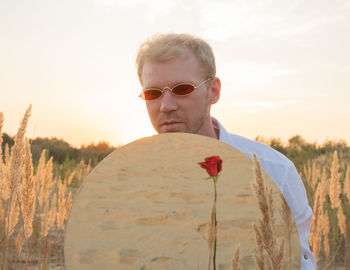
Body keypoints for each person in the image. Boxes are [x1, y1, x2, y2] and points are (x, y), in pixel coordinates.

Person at [135, 33, 316, 269]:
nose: (166, 106)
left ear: (214, 90)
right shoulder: (128, 178)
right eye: (153, 93)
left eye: (182, 89)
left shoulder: (274, 171)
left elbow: (298, 262)